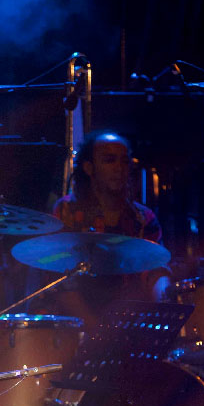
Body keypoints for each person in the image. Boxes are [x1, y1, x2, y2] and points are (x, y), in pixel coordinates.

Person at [47, 130, 171, 323]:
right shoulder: (67, 212)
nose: (119, 168)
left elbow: (156, 270)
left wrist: (164, 299)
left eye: (124, 161)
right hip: (77, 326)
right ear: (89, 168)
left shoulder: (143, 218)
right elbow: (60, 281)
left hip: (130, 322)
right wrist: (94, 327)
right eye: (109, 160)